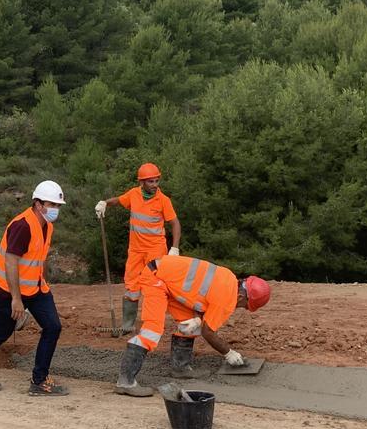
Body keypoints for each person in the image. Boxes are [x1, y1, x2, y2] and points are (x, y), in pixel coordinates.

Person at [115, 255, 270, 396]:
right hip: (155, 279)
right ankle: (125, 382)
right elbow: (208, 332)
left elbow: (201, 298)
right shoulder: (228, 299)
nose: (240, 307)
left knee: (189, 324)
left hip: (165, 277)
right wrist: (229, 353)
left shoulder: (229, 278)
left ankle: (180, 368)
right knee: (152, 331)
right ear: (241, 296)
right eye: (244, 305)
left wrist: (197, 319)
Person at [0, 180, 69, 396]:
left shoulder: (47, 226)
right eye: (51, 204)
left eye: (57, 206)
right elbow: (11, 261)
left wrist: (41, 280)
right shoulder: (22, 226)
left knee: (53, 327)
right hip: (10, 289)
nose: (55, 209)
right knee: (4, 329)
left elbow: (38, 257)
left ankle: (39, 380)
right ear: (37, 203)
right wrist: (16, 299)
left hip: (35, 288)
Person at [94, 163, 180, 336]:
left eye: (156, 181)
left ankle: (154, 326)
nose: (155, 184)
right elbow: (118, 200)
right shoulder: (133, 194)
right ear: (142, 182)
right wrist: (105, 203)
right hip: (135, 250)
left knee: (154, 287)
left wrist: (175, 247)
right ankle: (127, 326)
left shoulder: (163, 200)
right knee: (131, 285)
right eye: (150, 182)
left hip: (155, 250)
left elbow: (175, 223)